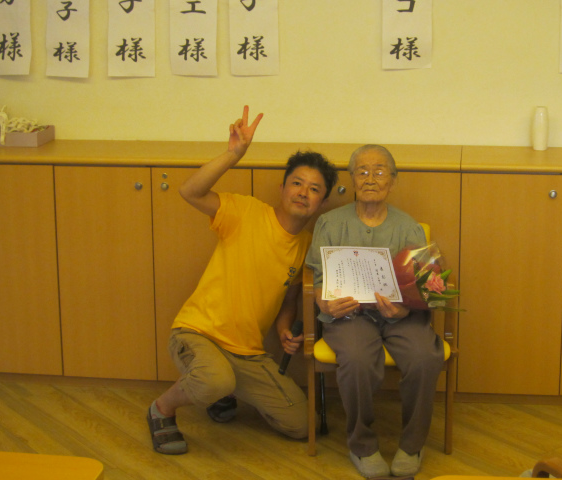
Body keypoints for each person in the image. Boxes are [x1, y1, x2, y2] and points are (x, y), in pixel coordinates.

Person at [146, 106, 338, 455]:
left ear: (322, 202)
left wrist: (284, 328)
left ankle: (223, 389)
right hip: (198, 333)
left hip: (248, 353)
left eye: (314, 189)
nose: (302, 192)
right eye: (297, 183)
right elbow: (189, 191)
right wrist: (233, 154)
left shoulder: (306, 247)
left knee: (302, 425)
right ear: (282, 188)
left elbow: (288, 300)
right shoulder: (246, 212)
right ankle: (163, 409)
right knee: (214, 378)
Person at [305, 144, 445, 479]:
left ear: (392, 181)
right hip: (348, 315)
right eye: (363, 171)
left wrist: (404, 309)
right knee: (356, 360)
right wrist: (325, 302)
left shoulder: (408, 227)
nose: (371, 178)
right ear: (352, 179)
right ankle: (362, 446)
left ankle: (412, 445)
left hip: (400, 317)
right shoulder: (329, 223)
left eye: (380, 171)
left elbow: (428, 285)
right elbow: (316, 279)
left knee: (424, 357)